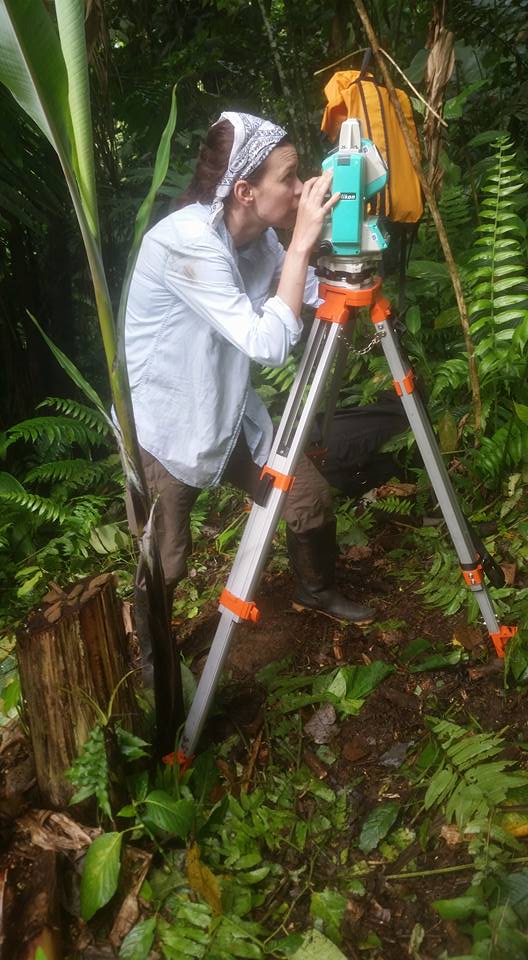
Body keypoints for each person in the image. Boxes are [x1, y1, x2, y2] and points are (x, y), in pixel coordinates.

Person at [125, 111, 375, 679]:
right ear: (244, 190)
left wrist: (349, 240)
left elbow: (309, 295)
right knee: (167, 561)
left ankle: (315, 590)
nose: (298, 186)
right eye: (288, 178)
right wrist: (300, 245)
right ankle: (152, 656)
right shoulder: (186, 245)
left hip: (230, 413)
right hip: (168, 427)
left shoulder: (256, 237)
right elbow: (268, 342)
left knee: (307, 497)